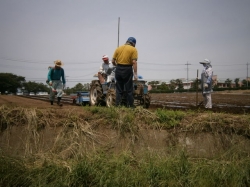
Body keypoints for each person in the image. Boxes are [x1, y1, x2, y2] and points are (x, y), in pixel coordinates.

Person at [112, 37, 138, 107]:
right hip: (127, 69)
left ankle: (117, 106)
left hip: (118, 69)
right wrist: (135, 74)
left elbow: (113, 61)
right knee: (129, 89)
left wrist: (117, 66)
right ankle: (131, 106)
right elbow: (134, 62)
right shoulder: (133, 49)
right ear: (133, 43)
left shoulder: (118, 48)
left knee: (119, 90)